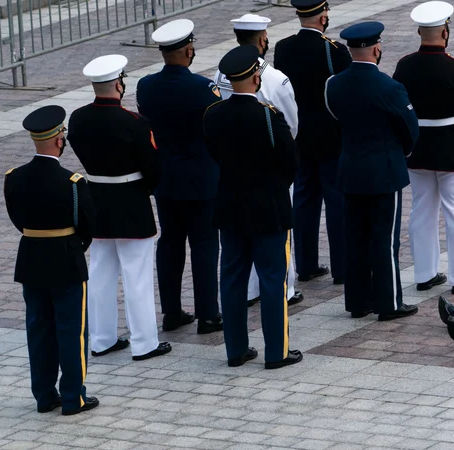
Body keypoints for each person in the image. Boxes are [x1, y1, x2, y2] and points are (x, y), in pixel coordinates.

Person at [203, 45, 302, 369]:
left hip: (230, 205)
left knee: (232, 279)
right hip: (268, 207)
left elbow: (216, 155)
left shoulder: (213, 114)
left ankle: (236, 350)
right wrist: (275, 185)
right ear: (255, 78)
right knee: (273, 279)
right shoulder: (268, 116)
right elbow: (290, 162)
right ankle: (277, 352)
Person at [68, 54, 171, 362]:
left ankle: (101, 339)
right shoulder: (134, 122)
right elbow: (153, 168)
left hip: (96, 199)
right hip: (130, 200)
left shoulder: (77, 118)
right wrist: (146, 188)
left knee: (100, 272)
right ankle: (144, 343)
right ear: (118, 84)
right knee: (136, 275)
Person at [4, 106, 98, 415]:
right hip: (66, 259)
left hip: (31, 258)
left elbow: (18, 220)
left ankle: (45, 396)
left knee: (39, 330)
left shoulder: (14, 178)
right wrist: (73, 244)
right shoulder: (72, 182)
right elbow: (86, 226)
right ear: (60, 139)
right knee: (71, 331)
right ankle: (73, 397)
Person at [325, 22, 420, 321]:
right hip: (383, 171)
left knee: (354, 237)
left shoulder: (333, 84)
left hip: (350, 169)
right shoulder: (390, 87)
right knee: (383, 239)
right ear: (377, 49)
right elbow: (410, 130)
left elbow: (336, 118)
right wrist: (399, 152)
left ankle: (357, 302)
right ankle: (388, 303)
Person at [393, 1, 454, 295]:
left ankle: (424, 274)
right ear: (445, 32)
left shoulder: (405, 65)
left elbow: (399, 106)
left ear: (420, 31)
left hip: (418, 149)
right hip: (453, 150)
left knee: (421, 210)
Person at [137, 19, 223, 334]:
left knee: (170, 243)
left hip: (165, 178)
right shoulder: (202, 88)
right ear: (189, 49)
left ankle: (172, 312)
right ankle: (208, 314)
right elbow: (216, 127)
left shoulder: (146, 85)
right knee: (203, 244)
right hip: (201, 177)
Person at [213, 14, 304, 308]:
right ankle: (285, 288)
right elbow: (291, 126)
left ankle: (252, 290)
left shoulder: (221, 74)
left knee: (243, 237)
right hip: (271, 168)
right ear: (263, 40)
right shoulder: (275, 78)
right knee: (277, 235)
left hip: (234, 168)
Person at [275, 0, 350, 285]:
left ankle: (306, 265)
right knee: (336, 200)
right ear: (323, 17)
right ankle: (342, 267)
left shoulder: (283, 48)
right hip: (331, 135)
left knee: (304, 200)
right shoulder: (334, 51)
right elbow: (341, 92)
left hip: (300, 134)